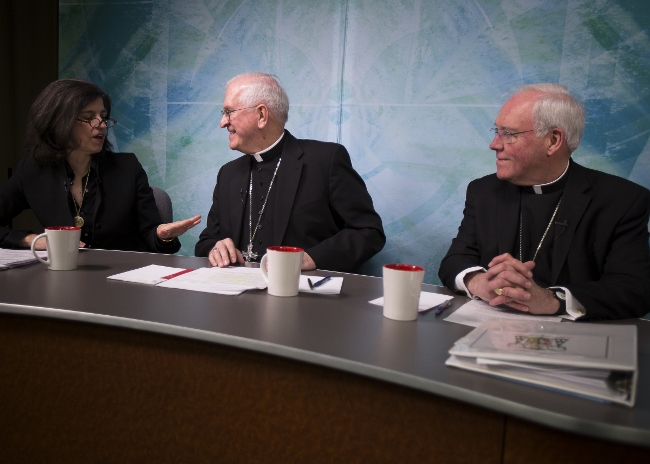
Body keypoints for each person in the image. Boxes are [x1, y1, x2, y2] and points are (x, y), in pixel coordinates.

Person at [438, 83, 650, 320]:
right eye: (496, 131)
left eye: (509, 133)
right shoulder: (483, 191)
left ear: (553, 140)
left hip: (577, 343)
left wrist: (551, 300)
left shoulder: (622, 200)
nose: (494, 144)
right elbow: (454, 260)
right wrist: (480, 283)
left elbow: (634, 290)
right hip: (491, 329)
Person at [195, 72, 385, 272]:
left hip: (302, 295)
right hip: (235, 294)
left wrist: (312, 258)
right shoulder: (228, 173)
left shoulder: (325, 160)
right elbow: (208, 240)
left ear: (261, 115)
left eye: (229, 112)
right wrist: (215, 249)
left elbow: (369, 232)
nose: (223, 122)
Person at [0, 79, 201, 252]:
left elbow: (151, 235)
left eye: (103, 116)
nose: (102, 125)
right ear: (58, 123)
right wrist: (33, 240)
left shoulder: (127, 168)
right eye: (89, 118)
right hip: (64, 277)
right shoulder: (33, 171)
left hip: (122, 279)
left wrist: (162, 235)